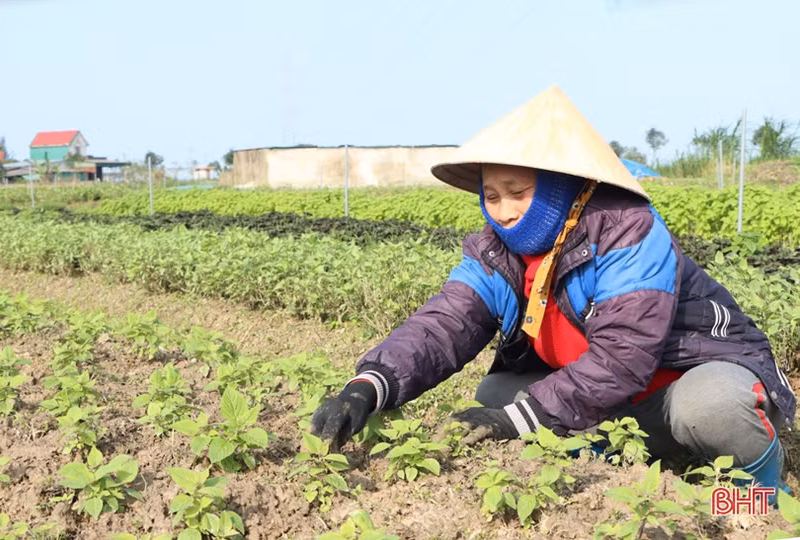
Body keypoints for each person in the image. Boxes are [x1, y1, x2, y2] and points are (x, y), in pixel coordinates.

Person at [309, 86, 796, 499]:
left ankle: (762, 497)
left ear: (559, 184)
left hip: (680, 385)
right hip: (612, 406)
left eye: (518, 192)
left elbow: (622, 359)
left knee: (710, 407)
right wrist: (367, 386)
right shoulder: (496, 251)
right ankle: (626, 466)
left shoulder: (627, 230)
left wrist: (519, 421)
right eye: (492, 195)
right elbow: (445, 323)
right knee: (497, 392)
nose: (503, 212)